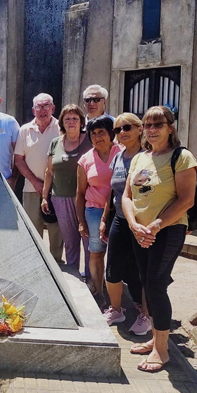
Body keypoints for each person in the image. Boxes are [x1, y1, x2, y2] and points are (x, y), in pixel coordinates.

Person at [122, 106, 197, 372]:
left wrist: (156, 224)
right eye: (148, 125)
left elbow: (186, 199)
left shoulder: (182, 157)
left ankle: (162, 351)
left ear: (170, 127)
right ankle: (155, 340)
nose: (152, 129)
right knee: (145, 283)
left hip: (168, 229)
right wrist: (133, 224)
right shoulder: (140, 158)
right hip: (140, 230)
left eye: (158, 124)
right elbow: (127, 197)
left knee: (155, 285)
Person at [100, 113, 151, 335]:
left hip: (142, 222)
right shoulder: (118, 157)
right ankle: (116, 309)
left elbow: (147, 191)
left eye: (127, 127)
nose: (122, 132)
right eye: (118, 129)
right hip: (120, 219)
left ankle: (146, 315)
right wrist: (104, 218)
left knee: (143, 272)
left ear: (140, 129)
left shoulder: (148, 157)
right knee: (112, 270)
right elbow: (112, 190)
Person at [41, 105, 92, 278]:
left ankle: (92, 279)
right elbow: (49, 172)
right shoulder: (55, 142)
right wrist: (44, 197)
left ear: (81, 121)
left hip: (87, 198)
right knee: (70, 241)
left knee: (88, 241)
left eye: (75, 118)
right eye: (67, 118)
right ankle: (74, 277)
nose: (71, 122)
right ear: (62, 122)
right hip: (60, 198)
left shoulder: (90, 140)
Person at [13, 93, 64, 262]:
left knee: (56, 230)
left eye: (46, 106)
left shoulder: (62, 128)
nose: (43, 110)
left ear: (53, 108)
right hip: (31, 189)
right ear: (33, 110)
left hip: (57, 189)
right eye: (39, 107)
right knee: (33, 230)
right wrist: (35, 182)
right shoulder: (24, 130)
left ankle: (57, 264)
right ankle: (36, 264)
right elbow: (18, 160)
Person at [76, 115, 121, 299]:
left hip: (119, 211)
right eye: (93, 133)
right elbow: (79, 194)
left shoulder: (122, 153)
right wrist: (81, 221)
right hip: (94, 211)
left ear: (111, 133)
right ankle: (100, 293)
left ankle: (117, 295)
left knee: (118, 254)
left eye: (101, 132)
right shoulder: (85, 160)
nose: (97, 137)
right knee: (96, 252)